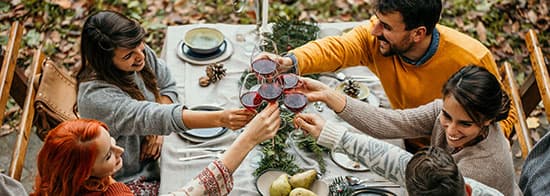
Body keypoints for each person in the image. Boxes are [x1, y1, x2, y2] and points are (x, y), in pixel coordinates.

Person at [267, 0, 517, 153]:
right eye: (376, 20)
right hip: (402, 130)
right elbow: (339, 48)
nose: (374, 30)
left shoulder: (470, 57)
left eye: (386, 26)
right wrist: (291, 61)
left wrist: (472, 145)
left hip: (450, 152)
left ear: (418, 33)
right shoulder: (377, 41)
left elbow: (503, 114)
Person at [76, 10, 256, 190]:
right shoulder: (97, 98)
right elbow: (151, 116)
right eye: (128, 55)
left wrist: (158, 132)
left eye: (140, 44)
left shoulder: (136, 51)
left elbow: (167, 84)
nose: (141, 55)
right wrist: (221, 119)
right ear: (104, 61)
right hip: (128, 179)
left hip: (155, 159)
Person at [295, 65, 521, 195]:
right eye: (447, 116)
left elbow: (406, 171)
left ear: (487, 121)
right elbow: (393, 125)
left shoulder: (482, 170)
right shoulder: (448, 110)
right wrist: (330, 97)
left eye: (465, 124)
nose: (450, 130)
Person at [31, 103, 280, 196]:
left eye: (113, 142)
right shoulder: (115, 192)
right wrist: (247, 140)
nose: (121, 152)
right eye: (108, 155)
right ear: (82, 173)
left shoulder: (52, 179)